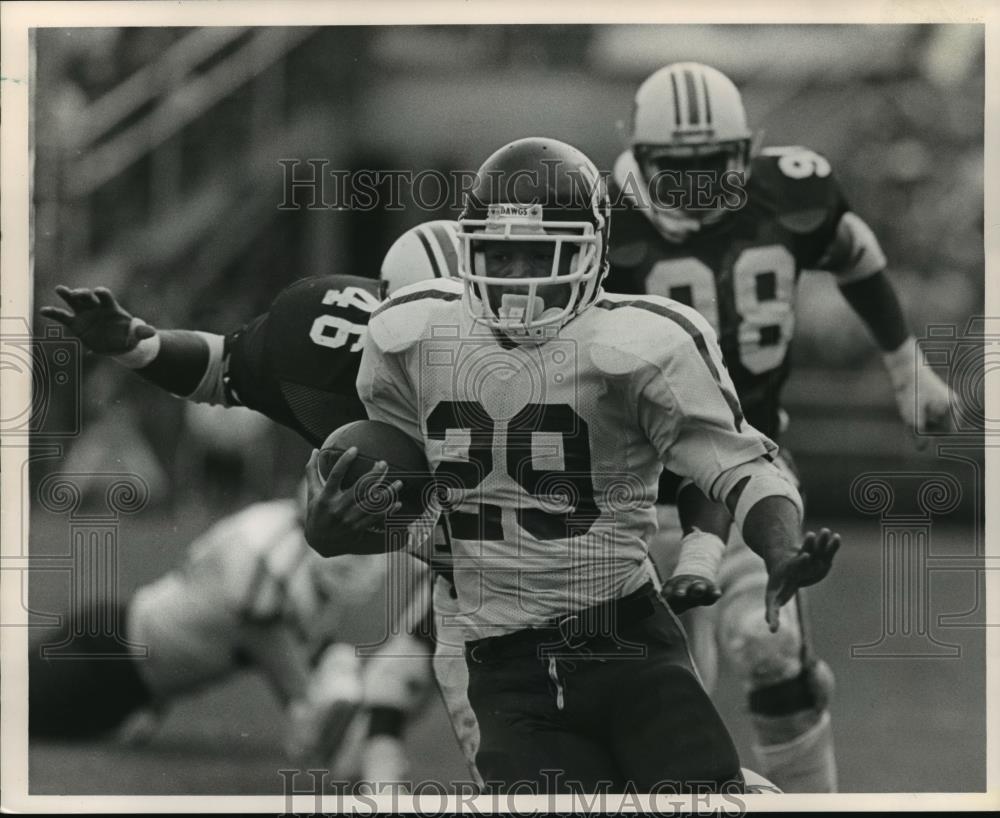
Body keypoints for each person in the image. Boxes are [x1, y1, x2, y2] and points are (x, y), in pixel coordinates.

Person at [303, 136, 840, 793]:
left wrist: (779, 551)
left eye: (541, 253)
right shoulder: (410, 339)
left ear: (593, 252)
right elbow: (400, 507)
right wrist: (329, 529)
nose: (518, 275)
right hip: (504, 662)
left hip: (627, 639)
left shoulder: (638, 342)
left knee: (701, 798)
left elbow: (742, 468)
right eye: (500, 252)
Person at [604, 61, 957, 792]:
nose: (700, 188)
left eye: (714, 168)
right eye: (679, 170)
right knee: (654, 696)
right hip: (624, 488)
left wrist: (906, 369)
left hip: (745, 467)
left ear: (748, 152)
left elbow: (855, 255)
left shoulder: (790, 191)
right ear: (637, 156)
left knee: (759, 645)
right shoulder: (603, 224)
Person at [37, 221, 467, 786]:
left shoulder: (533, 380)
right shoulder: (326, 352)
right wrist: (139, 345)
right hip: (115, 657)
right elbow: (226, 367)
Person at [28, 490, 407, 777]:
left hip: (134, 684)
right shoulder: (266, 557)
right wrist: (333, 719)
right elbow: (281, 662)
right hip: (106, 659)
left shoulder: (285, 540)